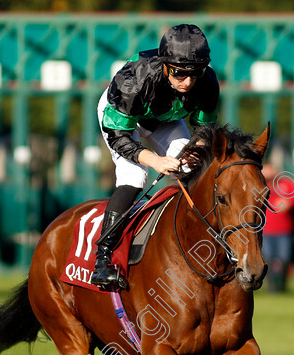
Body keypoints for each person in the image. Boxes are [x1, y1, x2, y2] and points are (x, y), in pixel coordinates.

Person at [91, 23, 220, 290]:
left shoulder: (207, 82)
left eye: (195, 74)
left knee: (190, 168)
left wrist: (194, 152)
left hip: (164, 118)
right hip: (123, 120)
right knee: (135, 175)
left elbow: (204, 129)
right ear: (164, 65)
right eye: (180, 74)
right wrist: (155, 161)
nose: (188, 82)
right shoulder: (134, 80)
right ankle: (102, 260)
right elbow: (118, 137)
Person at [261, 164, 294, 292]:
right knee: (268, 258)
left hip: (284, 230)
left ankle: (283, 286)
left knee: (284, 258)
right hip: (266, 230)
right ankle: (271, 288)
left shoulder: (285, 184)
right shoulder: (258, 184)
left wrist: (289, 201)